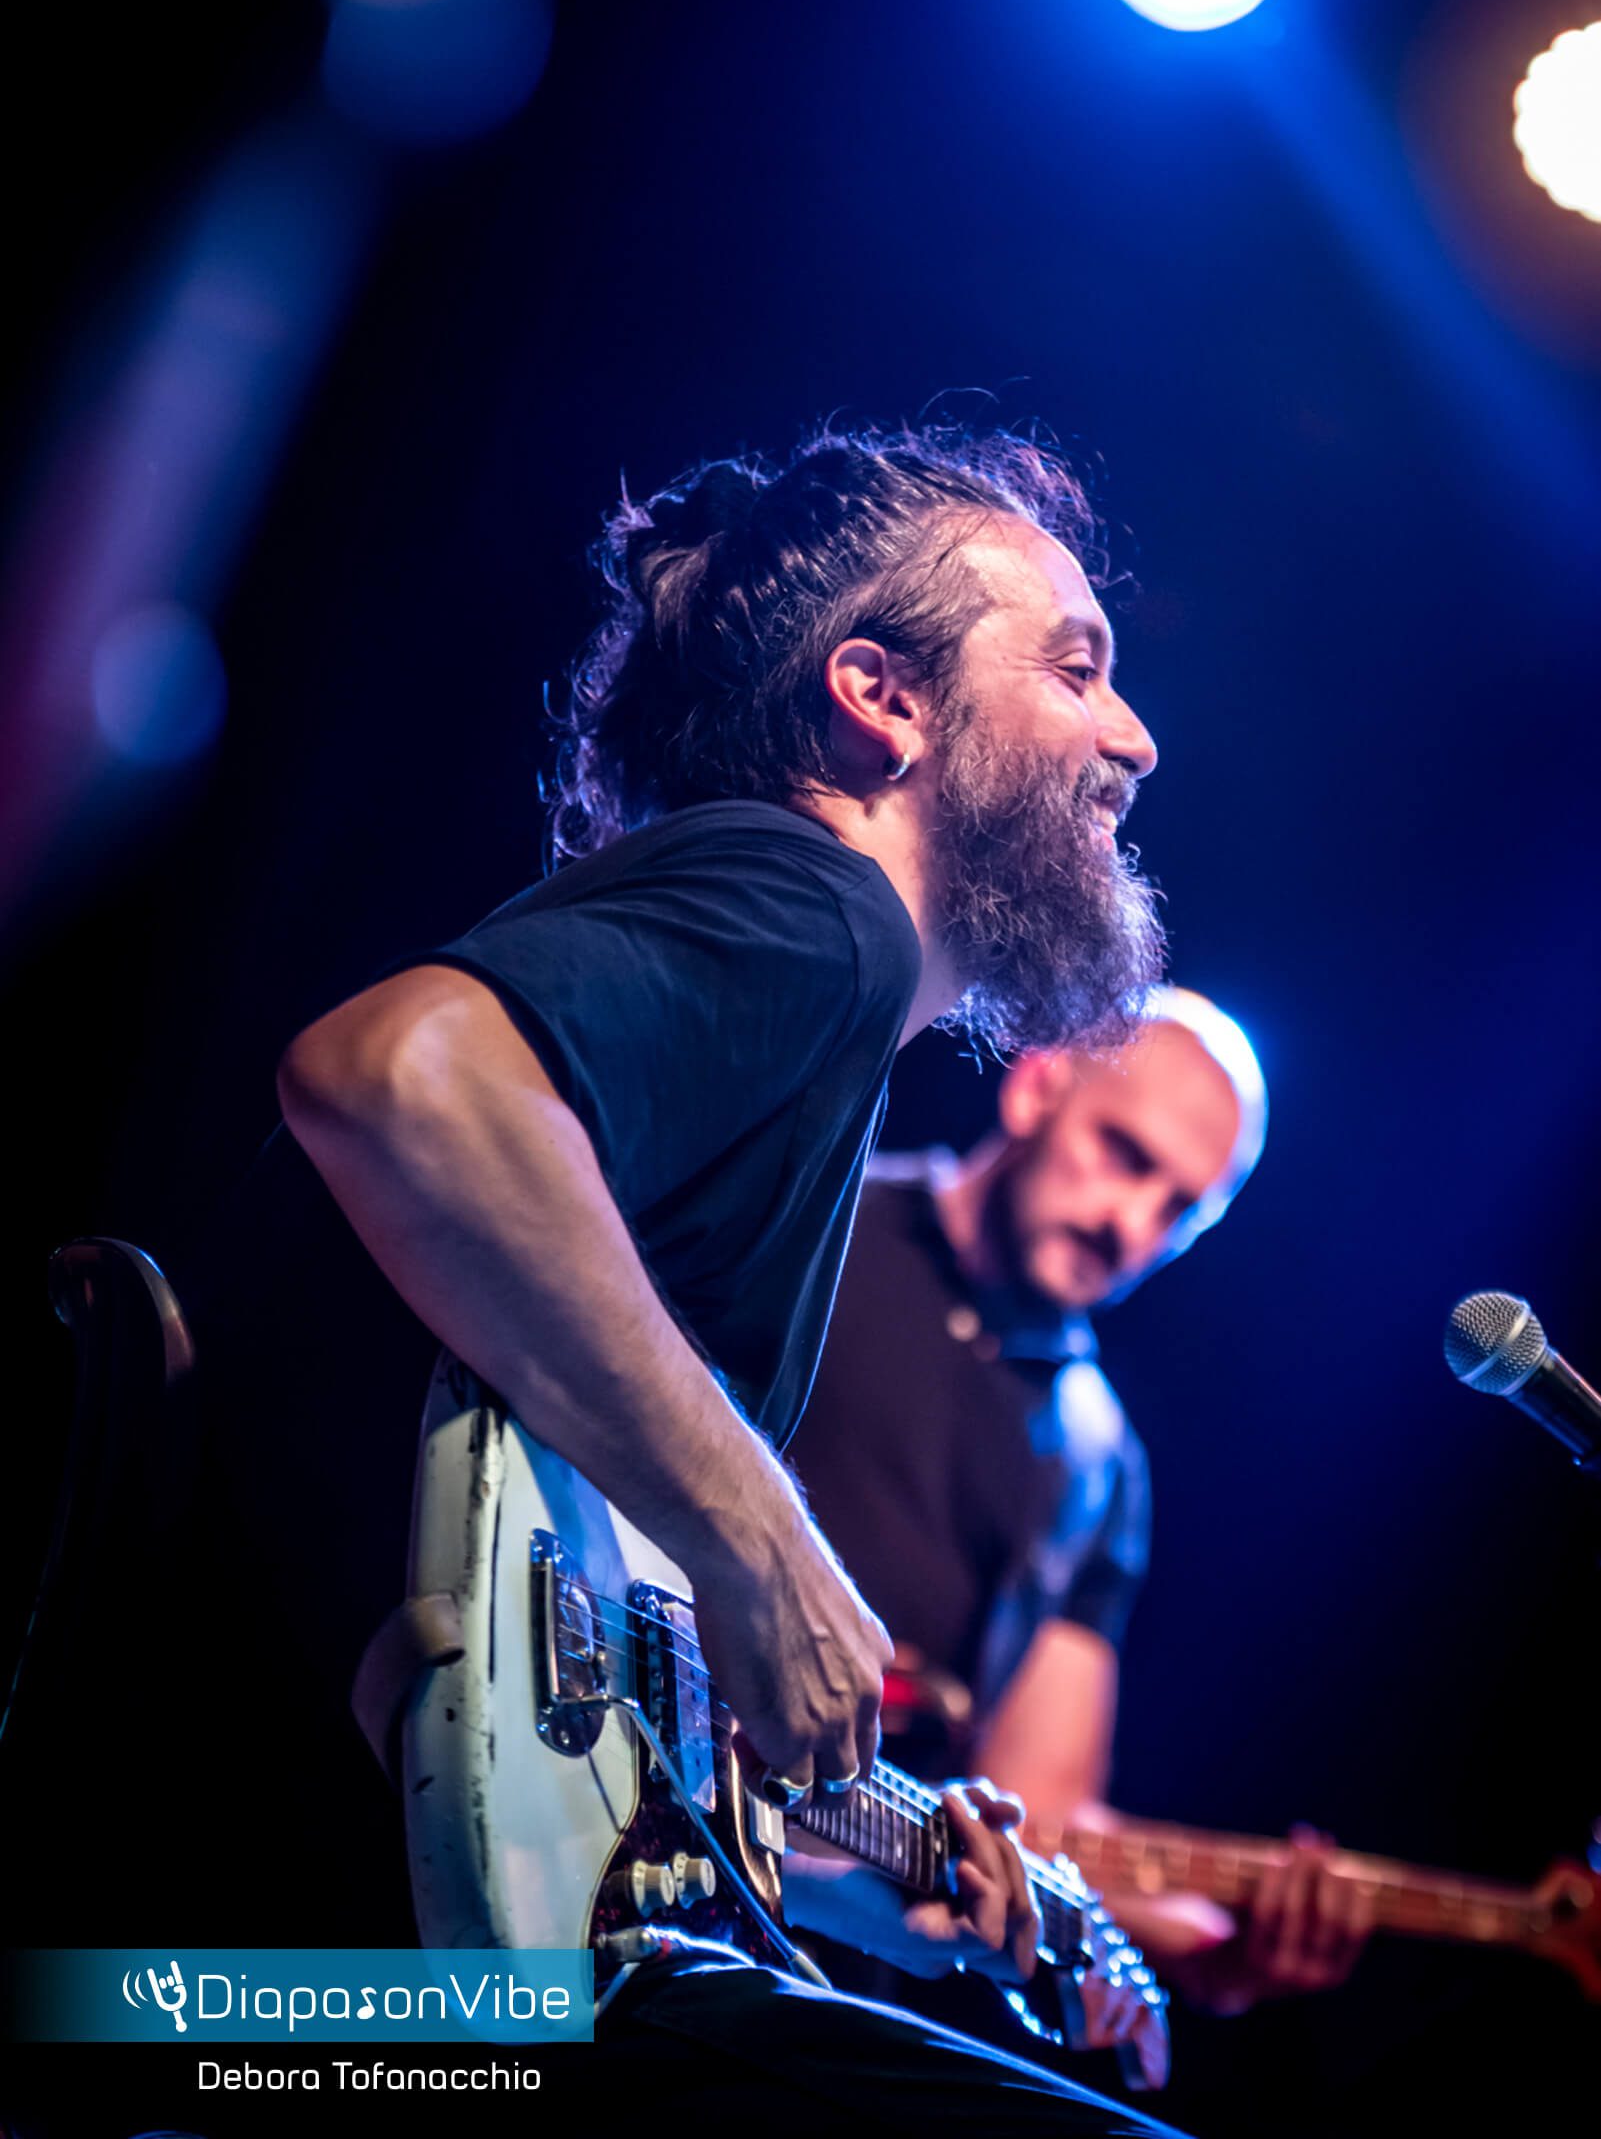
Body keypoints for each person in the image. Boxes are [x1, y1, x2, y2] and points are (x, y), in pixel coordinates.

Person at [149, 424, 1194, 2130]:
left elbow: (563, 1726)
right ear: (883, 699)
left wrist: (895, 1885)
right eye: (1075, 670)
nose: (1131, 738)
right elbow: (392, 1075)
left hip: (224, 1987)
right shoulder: (819, 914)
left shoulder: (787, 990)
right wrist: (764, 1537)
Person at [791, 997, 1372, 2018]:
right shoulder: (810, 1216)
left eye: (1178, 1210)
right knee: (486, 2045)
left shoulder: (1100, 1465)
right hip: (606, 1809)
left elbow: (1038, 1816)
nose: (1129, 1224)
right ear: (1034, 1085)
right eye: (1123, 1154)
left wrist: (1211, 1951)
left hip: (820, 1978)